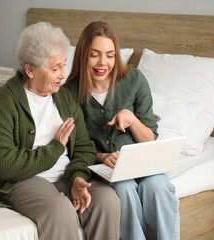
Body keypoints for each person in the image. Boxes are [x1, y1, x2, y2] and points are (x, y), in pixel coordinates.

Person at [0, 22, 120, 240]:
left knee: (107, 200)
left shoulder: (65, 98)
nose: (63, 75)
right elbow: (2, 165)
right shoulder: (0, 103)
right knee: (59, 210)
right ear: (30, 70)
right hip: (22, 179)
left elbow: (84, 148)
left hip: (65, 175)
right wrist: (55, 147)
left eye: (64, 65)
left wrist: (77, 178)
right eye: (54, 68)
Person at [63, 21, 180, 240]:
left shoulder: (135, 80)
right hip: (105, 169)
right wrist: (102, 156)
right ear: (82, 55)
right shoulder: (68, 93)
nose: (102, 63)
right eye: (94, 54)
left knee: (157, 186)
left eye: (109, 55)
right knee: (124, 189)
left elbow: (150, 139)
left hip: (143, 162)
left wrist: (133, 119)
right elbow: (73, 149)